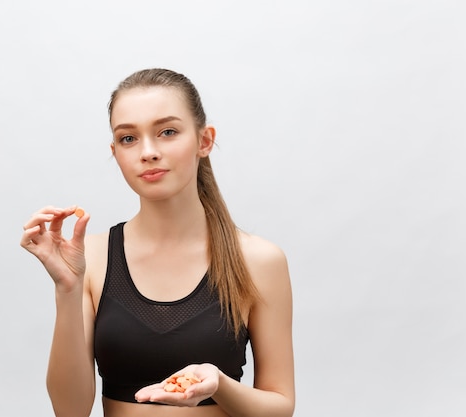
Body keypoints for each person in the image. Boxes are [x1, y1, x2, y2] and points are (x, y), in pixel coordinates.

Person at [20, 68, 295, 417]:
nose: (147, 152)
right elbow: (69, 410)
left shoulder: (259, 260)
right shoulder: (90, 258)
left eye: (167, 132)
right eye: (128, 138)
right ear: (115, 151)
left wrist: (219, 383)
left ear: (204, 141)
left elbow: (280, 406)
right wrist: (67, 289)